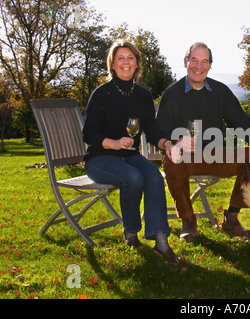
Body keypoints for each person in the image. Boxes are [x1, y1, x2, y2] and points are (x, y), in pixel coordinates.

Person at [156, 42, 250, 242]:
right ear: (186, 62)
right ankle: (188, 221)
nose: (198, 66)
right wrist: (173, 143)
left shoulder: (220, 92)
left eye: (204, 61)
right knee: (172, 162)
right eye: (194, 60)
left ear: (210, 65)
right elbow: (160, 131)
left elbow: (241, 123)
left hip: (217, 155)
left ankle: (232, 218)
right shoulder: (172, 93)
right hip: (185, 158)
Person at [83, 39, 179, 261]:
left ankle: (161, 240)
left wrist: (166, 144)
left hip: (130, 156)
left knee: (154, 175)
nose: (125, 62)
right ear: (113, 64)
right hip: (100, 158)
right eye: (120, 58)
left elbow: (152, 129)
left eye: (130, 58)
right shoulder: (102, 93)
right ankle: (131, 231)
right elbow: (89, 134)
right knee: (133, 177)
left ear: (137, 64)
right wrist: (114, 143)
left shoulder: (143, 95)